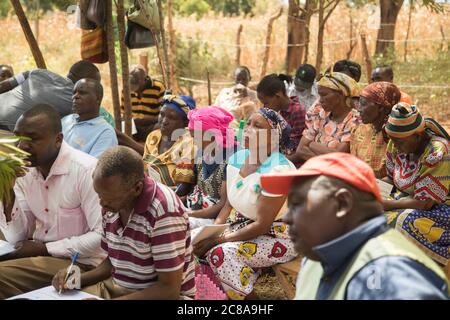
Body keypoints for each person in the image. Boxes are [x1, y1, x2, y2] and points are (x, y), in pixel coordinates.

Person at [260, 152, 449, 300]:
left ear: (342, 203)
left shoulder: (390, 275)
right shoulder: (317, 258)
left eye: (297, 204)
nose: (286, 218)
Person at [52, 146, 196, 299]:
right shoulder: (111, 202)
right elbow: (114, 261)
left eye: (109, 198)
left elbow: (169, 290)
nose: (102, 203)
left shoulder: (164, 209)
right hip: (118, 287)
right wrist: (76, 279)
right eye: (99, 194)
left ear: (137, 188)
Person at [0, 104, 105, 299]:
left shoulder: (86, 171)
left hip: (82, 263)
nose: (22, 147)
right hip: (41, 257)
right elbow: (17, 238)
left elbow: (102, 237)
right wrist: (7, 193)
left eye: (32, 138)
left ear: (58, 140)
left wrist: (46, 248)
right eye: (18, 138)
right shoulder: (25, 172)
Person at [193, 107, 297, 300]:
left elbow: (262, 224)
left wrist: (217, 239)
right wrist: (213, 231)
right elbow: (228, 206)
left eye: (257, 126)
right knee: (195, 243)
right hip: (240, 227)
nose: (247, 129)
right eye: (247, 123)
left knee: (221, 254)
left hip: (277, 235)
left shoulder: (279, 170)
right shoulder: (237, 159)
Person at [383, 103, 450, 266]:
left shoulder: (436, 152)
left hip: (440, 210)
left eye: (400, 142)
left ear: (418, 136)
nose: (395, 146)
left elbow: (425, 203)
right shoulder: (396, 142)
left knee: (403, 222)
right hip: (402, 200)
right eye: (392, 140)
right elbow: (390, 180)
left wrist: (385, 204)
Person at [0, 60, 101, 131]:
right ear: (86, 83)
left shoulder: (39, 72)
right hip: (8, 132)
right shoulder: (75, 100)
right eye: (95, 85)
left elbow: (5, 85)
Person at [289, 71, 360, 165]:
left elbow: (338, 156)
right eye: (319, 95)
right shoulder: (319, 112)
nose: (320, 100)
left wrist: (311, 145)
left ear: (341, 95)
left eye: (324, 95)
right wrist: (326, 158)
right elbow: (301, 150)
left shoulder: (355, 120)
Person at [186, 106, 237, 228]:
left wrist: (187, 215)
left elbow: (223, 205)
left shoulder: (233, 158)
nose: (194, 142)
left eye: (196, 137)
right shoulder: (201, 152)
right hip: (197, 209)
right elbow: (194, 189)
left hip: (218, 219)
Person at [143, 94, 196, 191]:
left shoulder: (188, 143)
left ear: (185, 123)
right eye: (162, 114)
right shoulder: (153, 137)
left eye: (172, 118)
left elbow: (182, 188)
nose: (164, 121)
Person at [350, 82, 401, 178]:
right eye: (359, 103)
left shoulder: (397, 138)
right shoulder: (358, 131)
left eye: (363, 104)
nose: (359, 109)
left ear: (381, 107)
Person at [62, 78, 117, 158]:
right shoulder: (66, 120)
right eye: (74, 93)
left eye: (82, 93)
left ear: (98, 99)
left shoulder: (105, 133)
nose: (75, 96)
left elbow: (93, 168)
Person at [256, 74, 306, 154]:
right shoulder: (279, 111)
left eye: (266, 103)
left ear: (277, 95)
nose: (265, 107)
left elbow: (295, 147)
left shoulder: (298, 111)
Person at [122, 65, 166, 142]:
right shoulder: (126, 89)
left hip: (152, 126)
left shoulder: (158, 87)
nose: (135, 91)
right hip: (133, 126)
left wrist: (142, 120)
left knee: (161, 128)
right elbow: (123, 114)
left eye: (138, 87)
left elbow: (164, 116)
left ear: (145, 80)